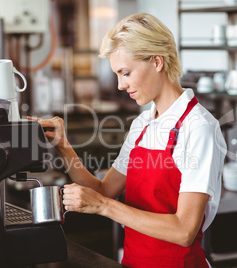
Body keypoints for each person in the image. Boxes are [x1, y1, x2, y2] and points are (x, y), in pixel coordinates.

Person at [29, 13, 226, 268]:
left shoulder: (199, 127)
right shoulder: (142, 124)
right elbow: (103, 191)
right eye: (118, 75)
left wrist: (103, 206)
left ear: (157, 61)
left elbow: (184, 231)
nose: (121, 85)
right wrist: (63, 146)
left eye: (126, 73)